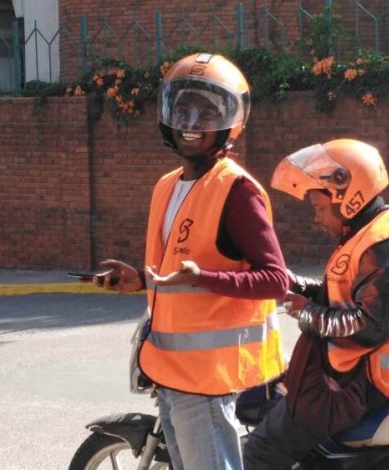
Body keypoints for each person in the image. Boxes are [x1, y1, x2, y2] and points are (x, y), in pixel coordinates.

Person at [96, 52, 289, 470]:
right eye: (182, 109)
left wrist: (204, 278)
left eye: (206, 111)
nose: (191, 122)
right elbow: (179, 274)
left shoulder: (237, 191)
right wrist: (140, 281)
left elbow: (275, 280)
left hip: (206, 378)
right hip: (170, 371)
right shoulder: (168, 186)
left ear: (231, 121)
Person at [243, 139, 389, 469]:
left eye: (319, 208)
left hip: (373, 383)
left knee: (261, 450)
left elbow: (366, 328)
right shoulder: (369, 233)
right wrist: (296, 285)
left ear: (347, 197)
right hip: (361, 376)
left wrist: (307, 313)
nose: (316, 218)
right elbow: (345, 297)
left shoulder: (385, 247)